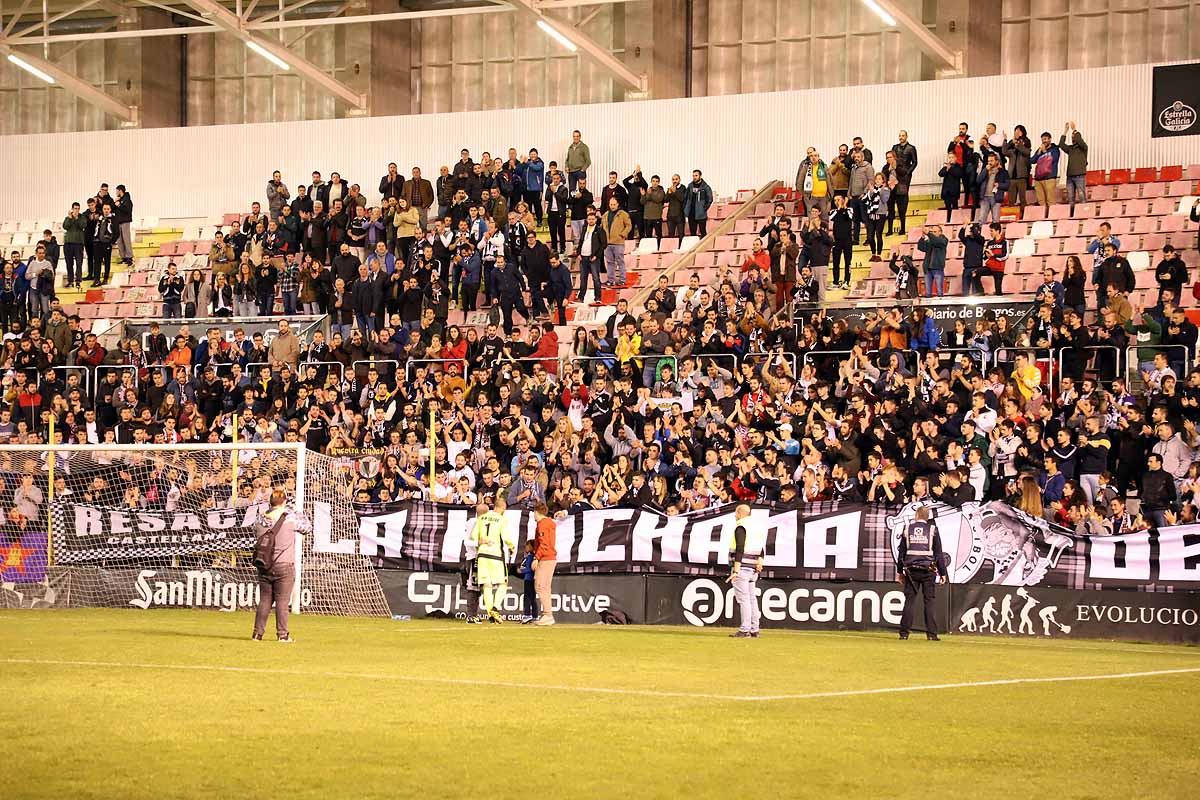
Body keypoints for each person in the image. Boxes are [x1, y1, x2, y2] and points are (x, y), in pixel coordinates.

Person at [252, 490, 299, 643]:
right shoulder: (290, 516)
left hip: (264, 563)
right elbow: (307, 528)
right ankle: (283, 635)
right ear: (284, 501)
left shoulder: (260, 517)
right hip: (284, 563)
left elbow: (256, 533)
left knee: (265, 599)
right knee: (282, 601)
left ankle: (257, 634)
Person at [895, 506, 948, 641]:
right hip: (928, 570)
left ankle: (904, 634)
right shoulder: (932, 530)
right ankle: (931, 634)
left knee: (910, 601)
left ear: (917, 515)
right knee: (929, 601)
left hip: (911, 571)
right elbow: (938, 553)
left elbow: (901, 553)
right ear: (927, 516)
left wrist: (899, 571)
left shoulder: (907, 529)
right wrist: (943, 572)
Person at [468, 497, 515, 625]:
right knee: (503, 583)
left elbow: (473, 536)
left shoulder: (481, 518)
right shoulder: (501, 519)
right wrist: (512, 547)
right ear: (503, 508)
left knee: (486, 585)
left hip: (482, 555)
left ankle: (491, 614)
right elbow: (505, 536)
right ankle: (496, 607)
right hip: (495, 555)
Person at [727, 503, 763, 639]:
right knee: (752, 599)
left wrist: (736, 570)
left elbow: (740, 548)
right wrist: (760, 561)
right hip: (753, 567)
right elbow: (761, 548)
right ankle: (755, 629)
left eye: (736, 513)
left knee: (744, 600)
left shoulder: (741, 526)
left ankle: (744, 629)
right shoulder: (756, 527)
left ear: (741, 513)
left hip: (742, 567)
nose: (735, 516)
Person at [532, 501, 558, 626]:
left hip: (545, 558)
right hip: (550, 557)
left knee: (541, 586)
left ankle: (548, 614)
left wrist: (536, 557)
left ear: (536, 512)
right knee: (545, 587)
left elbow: (544, 544)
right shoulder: (550, 523)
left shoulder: (542, 524)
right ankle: (548, 614)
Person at [1059, 121, 1088, 215]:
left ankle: (1084, 213)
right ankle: (1071, 215)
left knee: (1081, 195)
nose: (1073, 138)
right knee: (1070, 197)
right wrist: (1065, 132)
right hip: (1070, 177)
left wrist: (1074, 130)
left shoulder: (1083, 147)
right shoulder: (1070, 149)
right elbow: (1061, 145)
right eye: (1072, 137)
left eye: (1074, 136)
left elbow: (1080, 140)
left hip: (1080, 176)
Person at [683, 169, 713, 237]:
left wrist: (704, 208)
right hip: (691, 213)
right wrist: (685, 208)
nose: (694, 177)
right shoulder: (690, 186)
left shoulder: (705, 187)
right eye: (693, 176)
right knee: (692, 233)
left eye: (696, 175)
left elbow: (710, 199)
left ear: (700, 176)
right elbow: (685, 197)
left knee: (703, 232)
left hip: (701, 214)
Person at [519, 540, 538, 623]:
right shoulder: (534, 556)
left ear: (531, 547)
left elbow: (530, 568)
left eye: (527, 545)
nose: (525, 547)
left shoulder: (530, 556)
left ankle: (527, 615)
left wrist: (521, 571)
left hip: (529, 579)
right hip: (533, 579)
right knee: (533, 598)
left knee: (527, 598)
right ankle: (535, 616)